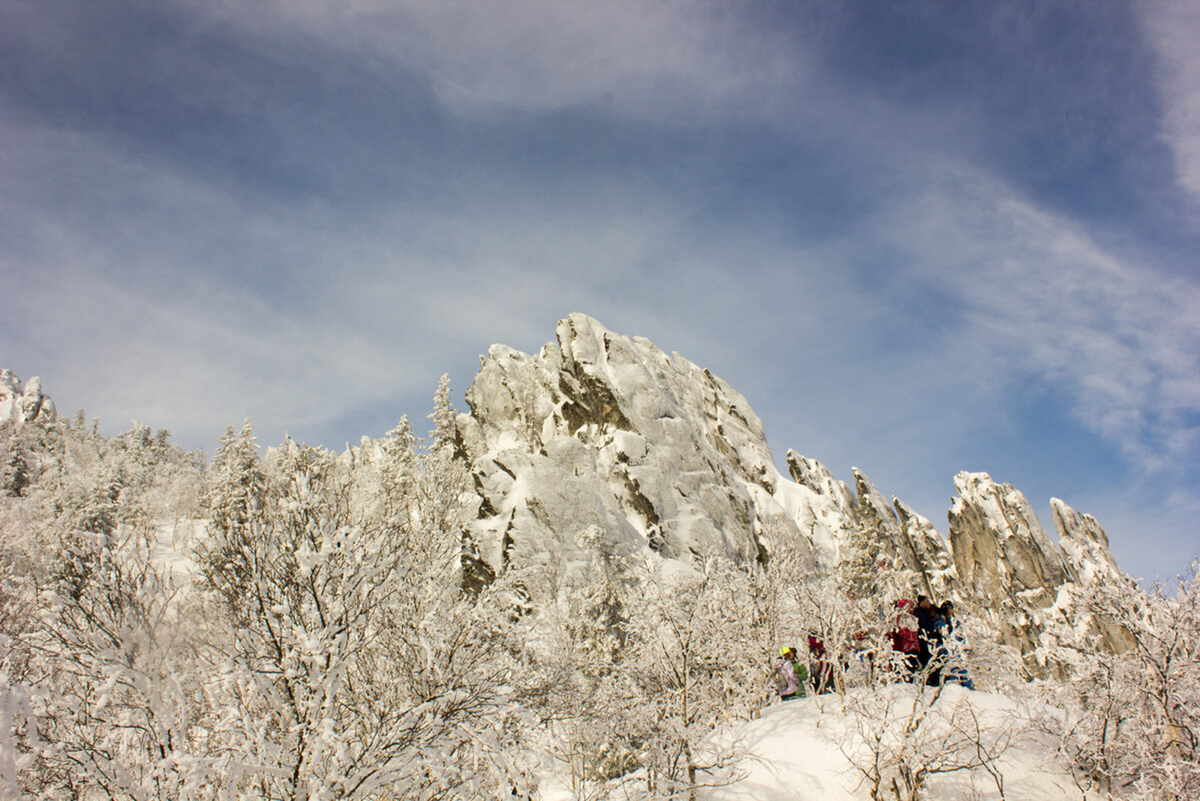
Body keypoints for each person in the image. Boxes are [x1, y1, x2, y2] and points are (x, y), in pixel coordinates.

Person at [938, 601, 974, 690]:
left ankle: (967, 688)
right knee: (952, 671)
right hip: (947, 651)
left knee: (962, 670)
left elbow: (961, 637)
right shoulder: (940, 623)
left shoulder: (955, 622)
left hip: (956, 651)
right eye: (950, 609)